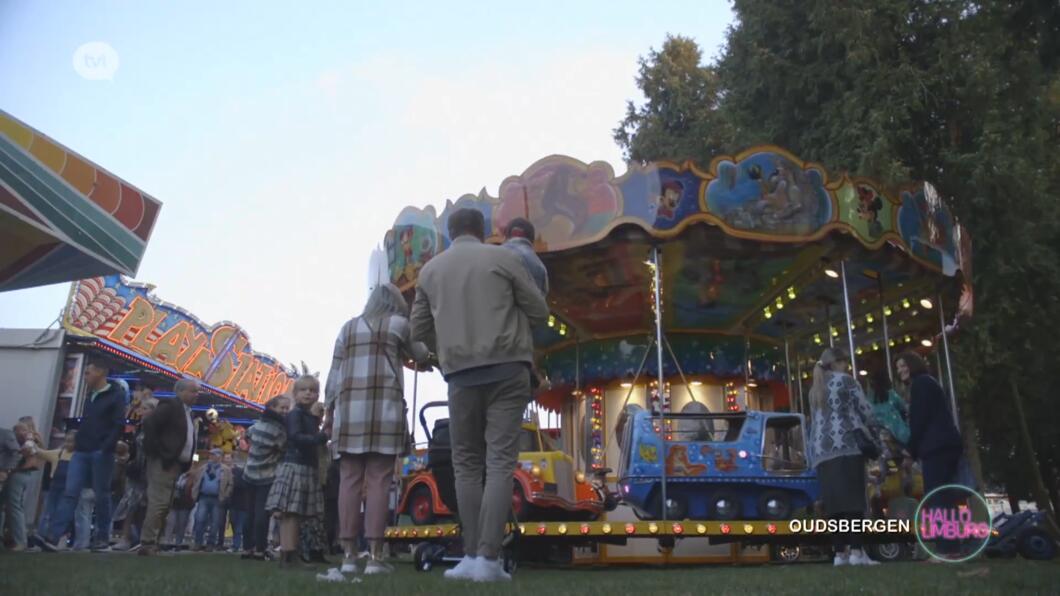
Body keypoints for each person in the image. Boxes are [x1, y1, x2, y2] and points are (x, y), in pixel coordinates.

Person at [410, 208, 549, 582]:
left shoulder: (430, 271)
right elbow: (539, 311)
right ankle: (489, 559)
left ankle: (470, 555)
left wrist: (447, 349)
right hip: (508, 367)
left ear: (450, 233)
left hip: (460, 375)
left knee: (466, 466)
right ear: (483, 230)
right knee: (501, 463)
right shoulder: (503, 258)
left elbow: (419, 329)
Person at [324, 282, 430, 575]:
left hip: (349, 412)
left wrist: (329, 410)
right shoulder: (399, 324)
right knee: (380, 481)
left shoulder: (347, 328)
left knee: (349, 481)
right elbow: (420, 355)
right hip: (384, 410)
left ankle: (348, 554)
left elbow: (334, 372)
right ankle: (374, 555)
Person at [42, 357, 127, 552]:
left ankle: (101, 538)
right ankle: (54, 537)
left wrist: (106, 447)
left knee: (101, 495)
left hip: (99, 450)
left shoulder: (115, 395)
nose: (85, 376)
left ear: (100, 372)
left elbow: (117, 424)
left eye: (88, 372)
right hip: (83, 450)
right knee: (72, 492)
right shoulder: (92, 394)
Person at [807, 347, 880, 567]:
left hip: (822, 452)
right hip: (847, 445)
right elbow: (865, 411)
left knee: (835, 505)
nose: (847, 366)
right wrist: (876, 433)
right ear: (838, 362)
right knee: (854, 503)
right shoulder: (846, 381)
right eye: (845, 362)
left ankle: (840, 553)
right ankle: (857, 551)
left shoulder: (814, 389)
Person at [897, 351, 964, 559]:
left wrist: (909, 449)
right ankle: (951, 546)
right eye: (898, 367)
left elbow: (920, 420)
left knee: (938, 497)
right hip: (944, 445)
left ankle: (947, 549)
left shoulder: (921, 384)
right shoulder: (929, 383)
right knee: (944, 497)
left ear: (914, 364)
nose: (901, 370)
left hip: (937, 447)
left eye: (904, 365)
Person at [266, 376, 327, 568]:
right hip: (296, 465)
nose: (308, 393)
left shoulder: (308, 416)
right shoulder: (295, 415)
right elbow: (295, 436)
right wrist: (320, 438)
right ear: (295, 394)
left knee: (294, 514)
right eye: (303, 390)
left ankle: (290, 553)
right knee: (290, 513)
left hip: (304, 466)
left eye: (312, 390)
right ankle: (288, 553)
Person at [138, 378, 199, 556]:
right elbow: (149, 424)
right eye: (193, 391)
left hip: (176, 464)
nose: (197, 395)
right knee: (159, 502)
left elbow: (191, 442)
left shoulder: (189, 413)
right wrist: (159, 452)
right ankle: (147, 542)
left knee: (165, 504)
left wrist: (191, 462)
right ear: (180, 391)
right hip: (164, 462)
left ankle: (154, 542)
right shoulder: (171, 406)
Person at [242, 395, 289, 561]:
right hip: (267, 475)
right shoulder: (278, 430)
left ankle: (247, 548)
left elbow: (247, 437)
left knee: (249, 513)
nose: (285, 411)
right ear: (272, 408)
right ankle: (260, 550)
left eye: (286, 408)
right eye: (282, 408)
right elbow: (285, 449)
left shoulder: (256, 426)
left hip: (249, 473)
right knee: (262, 514)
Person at [1, 422, 43, 551]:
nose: (23, 432)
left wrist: (7, 470)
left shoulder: (7, 435)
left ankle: (21, 541)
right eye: (21, 430)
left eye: (25, 430)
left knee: (14, 506)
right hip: (13, 473)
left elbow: (19, 453)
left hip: (17, 474)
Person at [35, 431, 77, 545]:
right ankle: (41, 535)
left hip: (68, 487)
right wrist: (34, 443)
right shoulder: (59, 453)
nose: (68, 444)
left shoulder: (79, 457)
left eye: (71, 441)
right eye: (66, 441)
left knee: (61, 513)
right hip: (54, 486)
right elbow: (41, 453)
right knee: (47, 512)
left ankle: (53, 537)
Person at [191, 448, 232, 551]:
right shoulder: (203, 468)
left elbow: (230, 484)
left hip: (217, 499)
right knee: (200, 520)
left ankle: (210, 543)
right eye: (211, 455)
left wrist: (225, 495)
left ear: (219, 457)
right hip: (203, 497)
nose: (212, 457)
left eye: (214, 455)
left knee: (215, 523)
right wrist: (195, 491)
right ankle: (198, 542)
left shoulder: (226, 470)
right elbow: (196, 479)